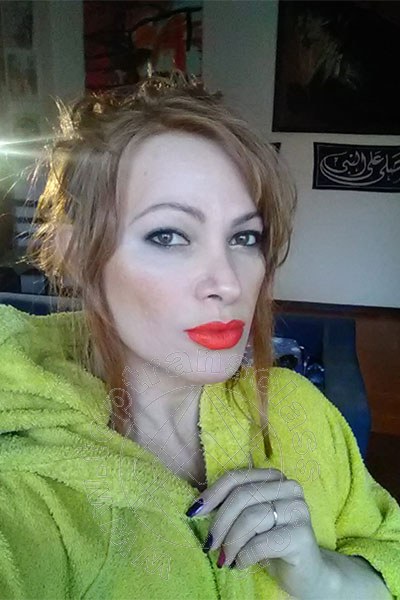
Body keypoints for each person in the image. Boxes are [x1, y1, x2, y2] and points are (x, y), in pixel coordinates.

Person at [0, 71, 399, 600]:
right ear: (74, 254)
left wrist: (323, 576)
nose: (228, 283)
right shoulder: (24, 494)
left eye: (245, 237)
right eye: (168, 235)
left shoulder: (300, 411)